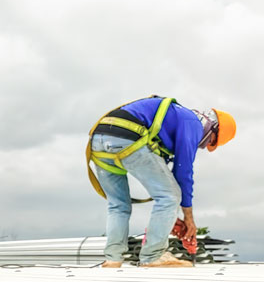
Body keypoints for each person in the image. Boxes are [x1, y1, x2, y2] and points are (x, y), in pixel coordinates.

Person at [86, 95, 236, 268]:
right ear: (212, 128)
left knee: (118, 205)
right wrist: (189, 219)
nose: (203, 145)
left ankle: (113, 259)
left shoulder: (172, 122)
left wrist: (172, 219)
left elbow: (162, 176)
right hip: (128, 138)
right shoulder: (192, 123)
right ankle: (152, 256)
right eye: (209, 142)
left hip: (99, 141)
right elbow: (183, 171)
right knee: (170, 196)